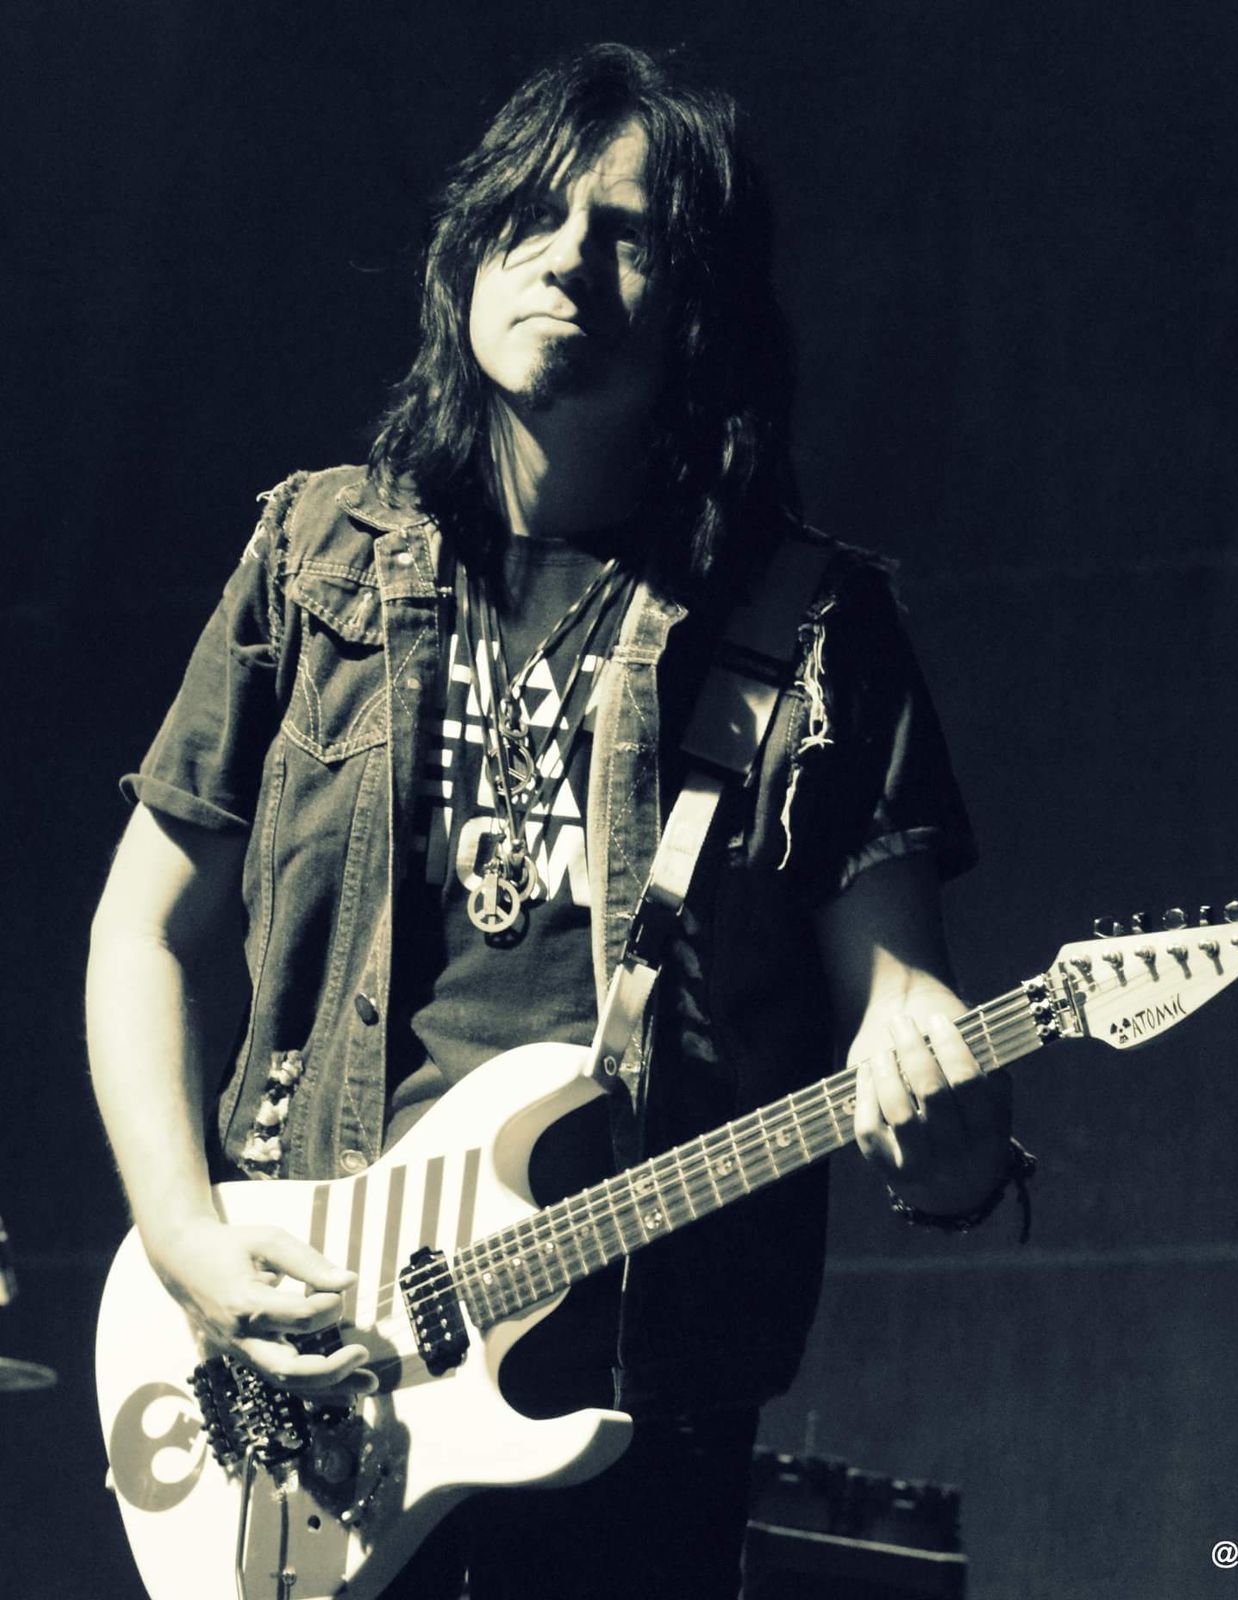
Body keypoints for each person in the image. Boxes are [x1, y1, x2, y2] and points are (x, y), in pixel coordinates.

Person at [87, 42, 1026, 1600]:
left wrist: (939, 1100)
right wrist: (186, 1238)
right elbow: (142, 930)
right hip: (307, 1375)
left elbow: (911, 1044)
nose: (567, 256)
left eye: (626, 232)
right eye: (531, 213)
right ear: (467, 252)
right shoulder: (316, 561)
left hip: (639, 1413)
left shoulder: (806, 625)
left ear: (700, 302)